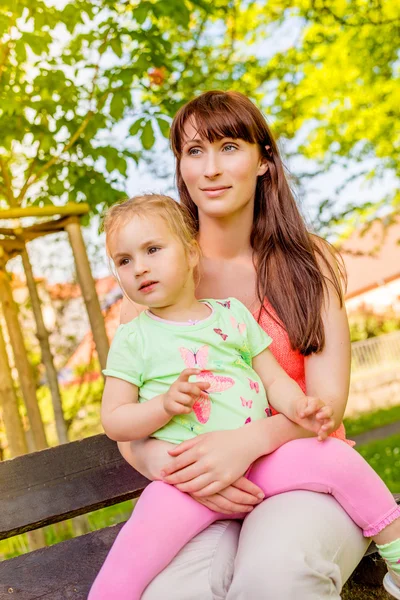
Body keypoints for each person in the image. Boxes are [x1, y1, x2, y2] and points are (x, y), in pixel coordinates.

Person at [110, 91, 396, 599]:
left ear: (264, 160)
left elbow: (327, 403)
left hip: (306, 472)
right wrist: (165, 465)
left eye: (229, 147)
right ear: (181, 167)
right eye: (194, 151)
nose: (211, 168)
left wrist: (245, 443)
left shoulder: (309, 262)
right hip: (200, 488)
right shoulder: (154, 280)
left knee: (274, 579)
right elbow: (131, 421)